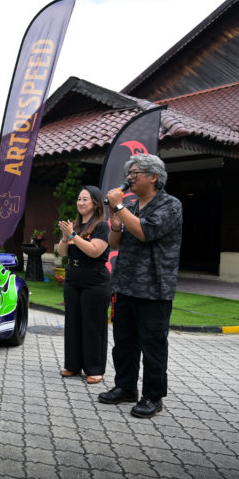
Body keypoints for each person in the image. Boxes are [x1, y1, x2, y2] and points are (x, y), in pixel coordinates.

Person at [98, 154, 183, 419]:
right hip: (125, 285)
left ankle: (153, 397)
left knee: (153, 346)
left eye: (135, 173)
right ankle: (125, 388)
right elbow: (115, 243)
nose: (129, 178)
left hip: (154, 289)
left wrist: (118, 207)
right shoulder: (132, 207)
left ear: (154, 176)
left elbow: (146, 233)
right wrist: (115, 224)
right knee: (124, 342)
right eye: (129, 173)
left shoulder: (170, 205)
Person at [57, 186, 111, 385]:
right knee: (73, 323)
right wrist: (66, 237)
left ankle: (95, 369)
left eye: (85, 199)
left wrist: (72, 235)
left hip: (94, 281)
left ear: (95, 203)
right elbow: (62, 253)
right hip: (73, 280)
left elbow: (95, 251)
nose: (80, 203)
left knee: (93, 326)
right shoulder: (75, 226)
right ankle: (73, 365)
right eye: (79, 199)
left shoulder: (101, 226)